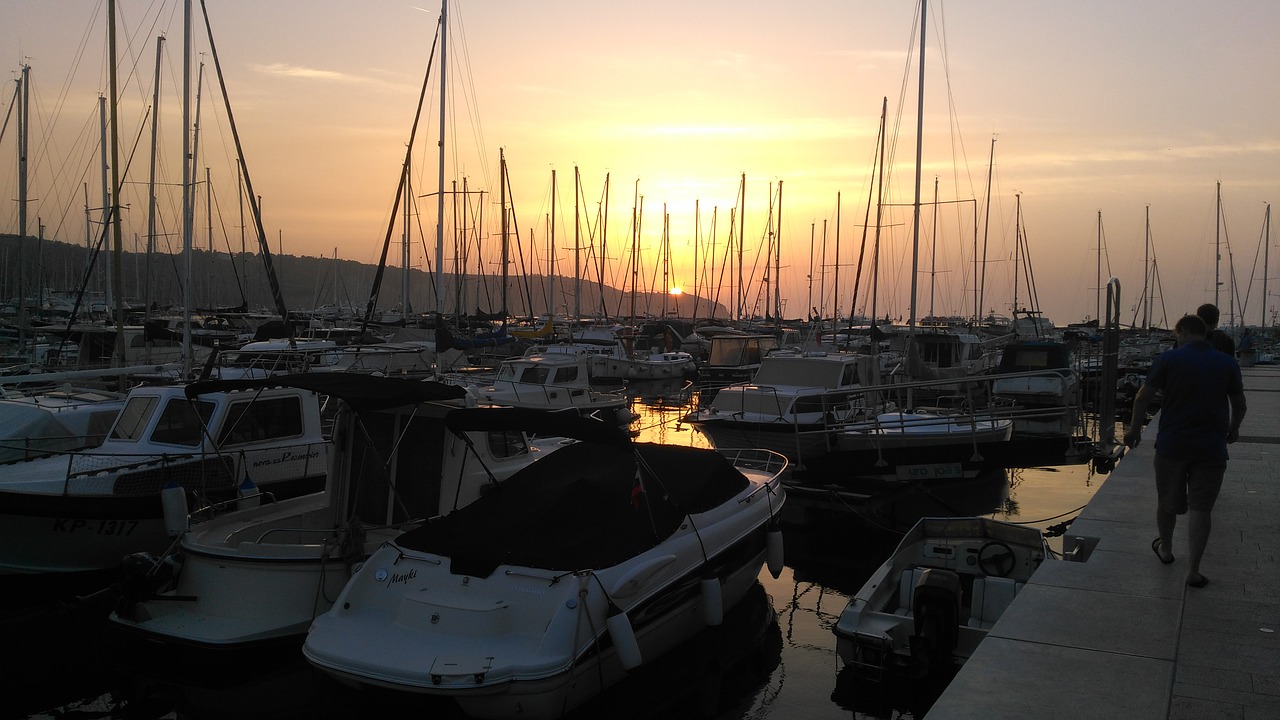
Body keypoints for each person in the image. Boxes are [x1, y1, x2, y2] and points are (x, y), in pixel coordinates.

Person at [1123, 313, 1246, 588]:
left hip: (1172, 445)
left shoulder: (1168, 359)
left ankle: (1166, 550)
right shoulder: (1227, 363)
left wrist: (1133, 431)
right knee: (1201, 509)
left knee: (1167, 502)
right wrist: (1233, 428)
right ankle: (1193, 570)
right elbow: (1240, 404)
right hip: (1211, 448)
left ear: (1181, 332)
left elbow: (1143, 396)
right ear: (1204, 334)